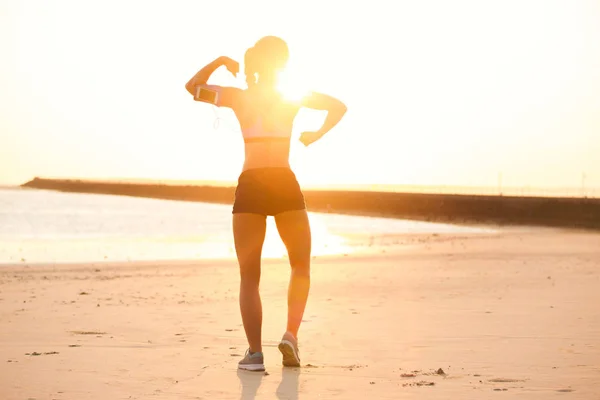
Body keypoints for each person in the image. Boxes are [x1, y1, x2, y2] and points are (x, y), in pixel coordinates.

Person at [185, 36, 347, 371]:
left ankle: (255, 355)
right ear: (283, 65)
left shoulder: (237, 97)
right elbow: (338, 107)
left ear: (253, 65)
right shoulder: (292, 98)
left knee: (249, 275)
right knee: (300, 265)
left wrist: (219, 60)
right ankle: (290, 335)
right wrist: (316, 135)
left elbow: (193, 87)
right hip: (284, 183)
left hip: (251, 186)